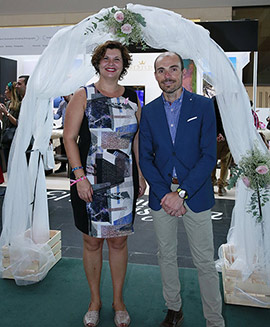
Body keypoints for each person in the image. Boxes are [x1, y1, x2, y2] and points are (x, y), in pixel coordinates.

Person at [63, 40, 146, 327]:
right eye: (106, 58)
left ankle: (118, 301)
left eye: (117, 59)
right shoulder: (83, 94)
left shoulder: (133, 97)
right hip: (89, 179)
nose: (111, 63)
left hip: (123, 180)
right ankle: (95, 301)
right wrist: (79, 177)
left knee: (119, 240)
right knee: (92, 240)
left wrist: (140, 173)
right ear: (98, 62)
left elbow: (135, 139)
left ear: (123, 65)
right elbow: (69, 138)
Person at [139, 52, 225, 327]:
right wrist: (166, 194)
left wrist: (182, 194)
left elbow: (208, 156)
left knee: (204, 262)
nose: (168, 75)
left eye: (173, 69)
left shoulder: (202, 106)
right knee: (166, 255)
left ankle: (214, 319)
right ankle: (174, 309)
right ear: (156, 76)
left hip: (195, 195)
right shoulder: (150, 111)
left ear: (183, 73)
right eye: (161, 70)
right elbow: (146, 157)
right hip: (162, 197)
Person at [211, 96, 232, 196]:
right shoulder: (231, 100)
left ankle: (211, 184)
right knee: (225, 162)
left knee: (212, 161)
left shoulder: (213, 100)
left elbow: (211, 118)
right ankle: (221, 186)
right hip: (227, 135)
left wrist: (216, 133)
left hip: (214, 136)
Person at [0, 81, 21, 166]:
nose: (5, 92)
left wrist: (6, 113)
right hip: (5, 138)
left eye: (6, 90)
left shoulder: (19, 105)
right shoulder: (8, 104)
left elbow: (17, 122)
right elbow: (4, 121)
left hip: (14, 137)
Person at [54, 94, 72, 173]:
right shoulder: (62, 104)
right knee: (63, 146)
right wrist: (51, 114)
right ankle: (63, 166)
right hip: (64, 126)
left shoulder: (75, 102)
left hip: (72, 127)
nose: (64, 96)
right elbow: (58, 116)